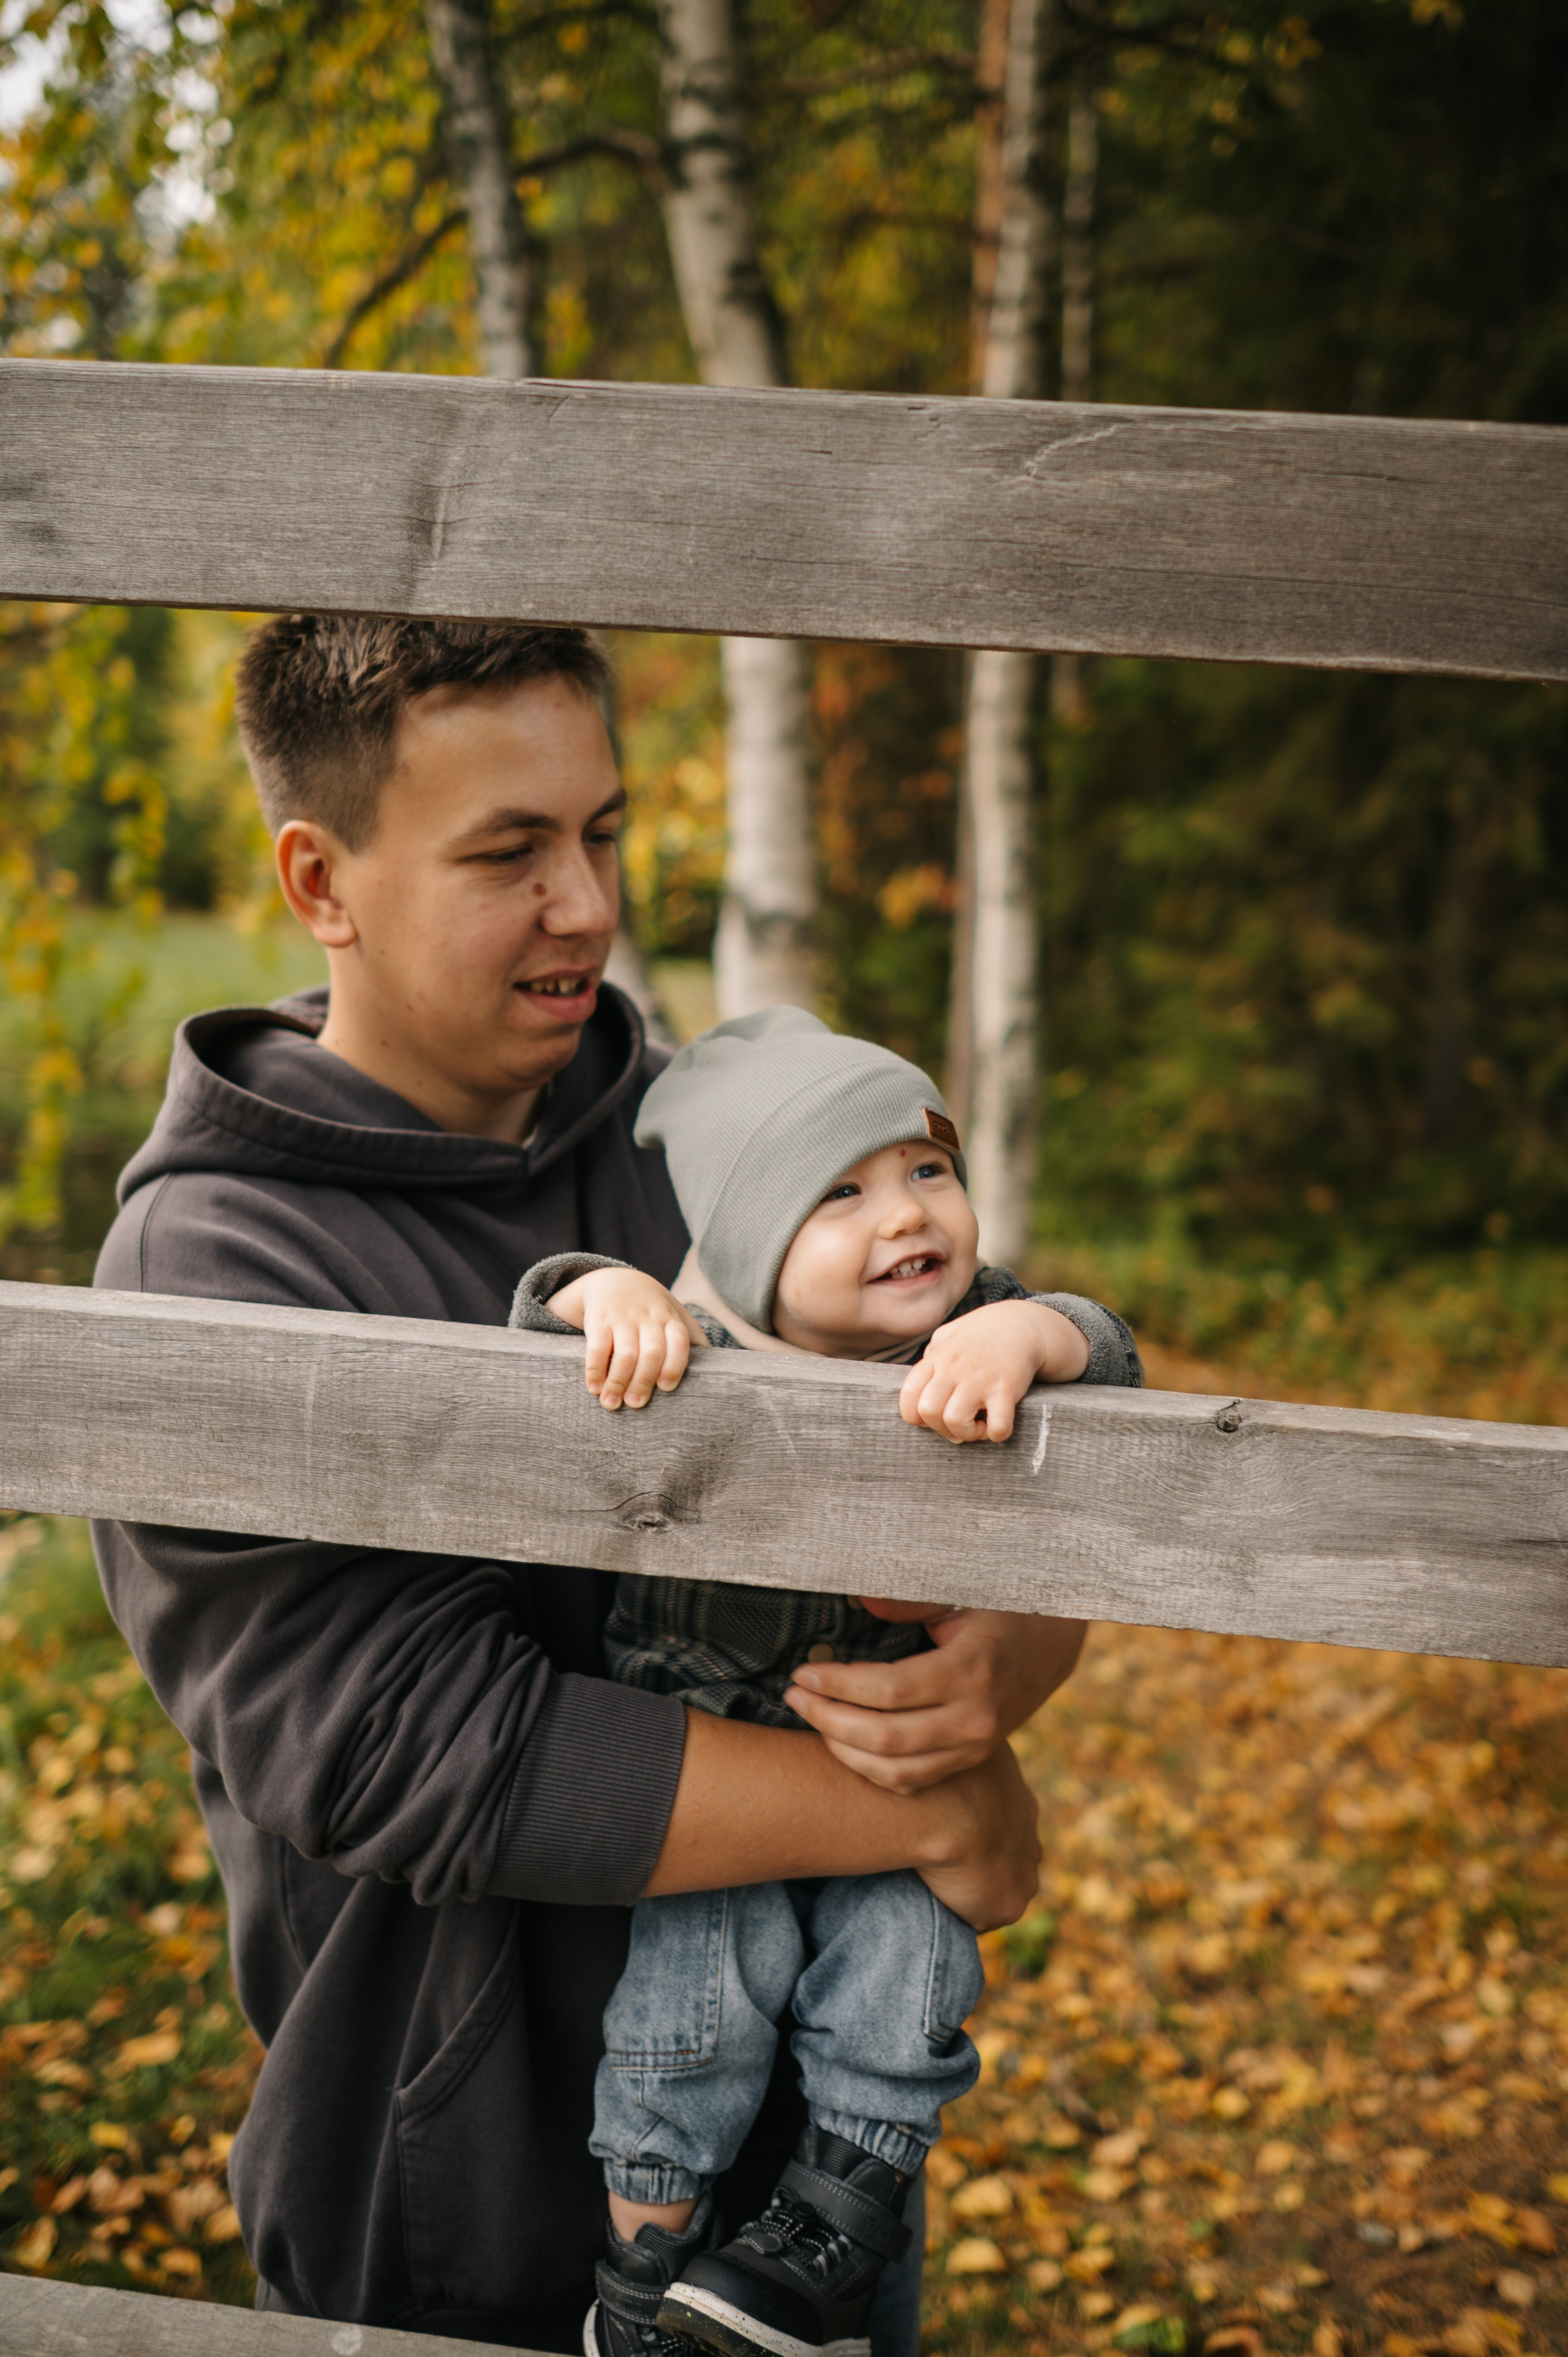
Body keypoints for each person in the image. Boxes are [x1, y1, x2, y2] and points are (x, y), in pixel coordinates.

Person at [89, 613, 1084, 2354]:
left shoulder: (703, 1137)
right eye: (509, 852)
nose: (588, 905)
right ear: (322, 883)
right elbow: (415, 1745)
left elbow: (956, 1418)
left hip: (809, 2210)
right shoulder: (216, 1259)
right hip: (461, 2217)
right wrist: (929, 1812)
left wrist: (1011, 1649)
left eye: (604, 831)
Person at [509, 1009, 1144, 2357]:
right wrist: (600, 1296)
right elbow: (535, 1317)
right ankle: (640, 2280)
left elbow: (1112, 1346)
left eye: (924, 1168)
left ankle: (830, 2242)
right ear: (747, 1246)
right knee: (686, 2016)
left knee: (903, 1983)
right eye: (838, 1192)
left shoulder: (969, 1327)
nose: (903, 1214)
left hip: (893, 1757)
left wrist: (1029, 1335)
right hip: (710, 1768)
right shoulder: (694, 1338)